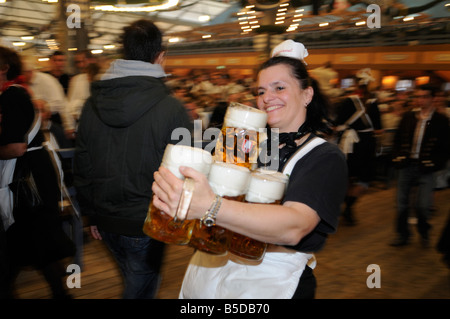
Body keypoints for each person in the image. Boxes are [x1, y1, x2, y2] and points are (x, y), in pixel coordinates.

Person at [151, 40, 348, 299]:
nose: (267, 98)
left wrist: (211, 206)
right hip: (209, 271)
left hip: (271, 278)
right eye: (260, 91)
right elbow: (205, 196)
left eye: (279, 88)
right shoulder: (242, 144)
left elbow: (295, 226)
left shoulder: (324, 156)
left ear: (307, 94)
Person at [73, 19, 193, 299]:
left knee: (134, 281)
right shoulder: (172, 107)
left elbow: (83, 162)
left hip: (105, 216)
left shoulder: (92, 103)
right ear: (160, 56)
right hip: (148, 220)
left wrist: (92, 213)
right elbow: (185, 169)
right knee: (141, 287)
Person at [0, 46, 75, 299]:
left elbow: (16, 147)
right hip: (34, 173)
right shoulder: (17, 94)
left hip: (26, 177)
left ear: (4, 68)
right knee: (30, 243)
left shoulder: (12, 96)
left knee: (24, 240)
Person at [390, 84, 450, 247]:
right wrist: (397, 157)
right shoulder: (409, 117)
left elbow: (445, 148)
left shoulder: (440, 120)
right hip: (407, 165)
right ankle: (403, 235)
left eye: (424, 96)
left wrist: (434, 164)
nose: (420, 100)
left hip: (426, 168)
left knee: (422, 206)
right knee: (402, 203)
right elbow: (397, 140)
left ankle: (424, 231)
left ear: (432, 99)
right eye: (418, 96)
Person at [334, 68, 383, 225]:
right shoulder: (373, 103)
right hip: (367, 144)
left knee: (346, 176)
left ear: (355, 84)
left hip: (350, 144)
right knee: (363, 179)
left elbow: (337, 125)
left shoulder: (347, 102)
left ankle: (342, 205)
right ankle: (349, 206)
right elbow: (379, 128)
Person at [22, 57, 76, 143]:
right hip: (36, 125)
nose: (21, 76)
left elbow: (62, 104)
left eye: (22, 73)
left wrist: (69, 126)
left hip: (53, 122)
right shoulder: (24, 84)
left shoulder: (47, 81)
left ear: (29, 72)